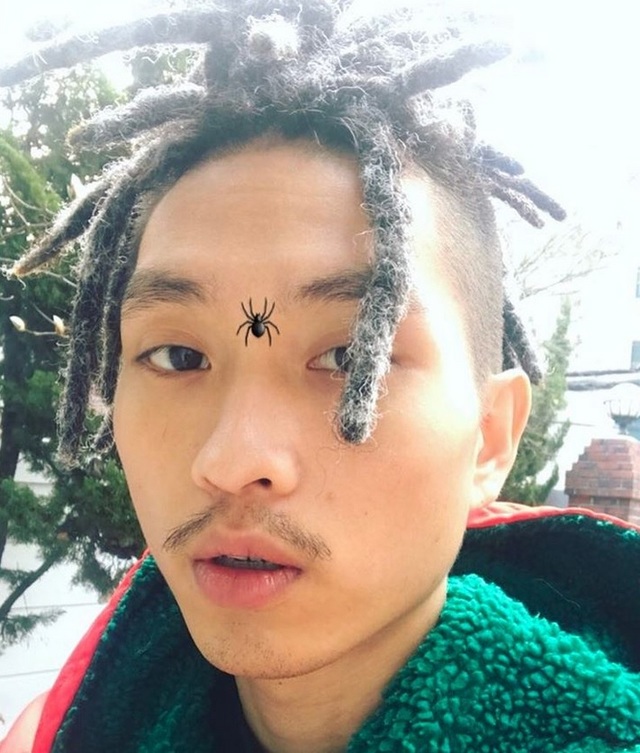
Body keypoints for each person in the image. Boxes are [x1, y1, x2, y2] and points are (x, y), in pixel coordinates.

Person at [1, 1, 639, 751]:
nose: (230, 462)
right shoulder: (54, 730)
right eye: (179, 355)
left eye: (349, 358)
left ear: (490, 436)